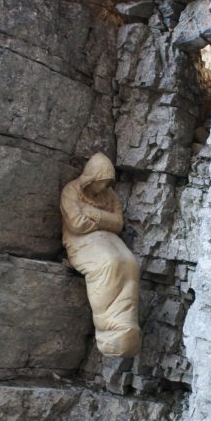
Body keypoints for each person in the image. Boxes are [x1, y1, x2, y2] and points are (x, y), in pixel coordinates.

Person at [60, 152, 141, 357]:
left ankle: (126, 326)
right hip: (80, 242)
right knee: (110, 262)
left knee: (130, 263)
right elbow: (77, 225)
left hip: (107, 238)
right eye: (100, 183)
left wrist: (93, 213)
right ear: (91, 178)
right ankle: (108, 329)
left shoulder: (109, 195)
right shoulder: (71, 191)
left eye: (107, 183)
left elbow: (118, 224)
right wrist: (105, 221)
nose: (103, 188)